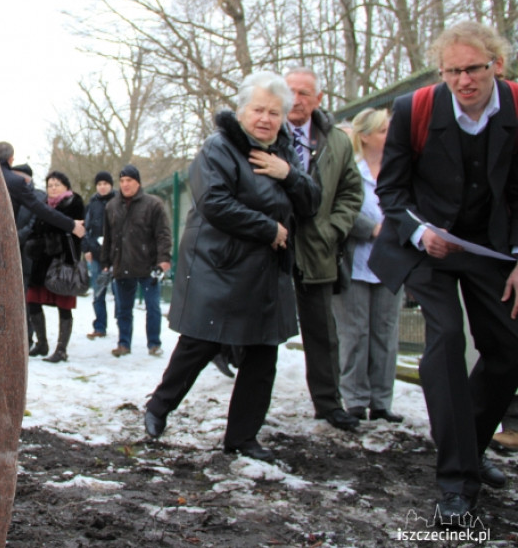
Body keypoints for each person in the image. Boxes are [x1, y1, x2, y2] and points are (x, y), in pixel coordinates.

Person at [369, 21, 518, 521]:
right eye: (452, 70)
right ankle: (456, 483)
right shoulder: (415, 109)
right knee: (446, 338)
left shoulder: (516, 105)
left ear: (495, 64)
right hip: (427, 244)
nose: (464, 80)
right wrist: (417, 231)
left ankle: (467, 449)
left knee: (508, 346)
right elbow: (390, 190)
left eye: (473, 68)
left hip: (491, 248)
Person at [143, 72, 320, 461]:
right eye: (258, 109)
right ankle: (159, 406)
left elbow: (312, 202)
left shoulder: (285, 151)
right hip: (218, 264)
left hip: (268, 269)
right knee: (201, 342)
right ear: (242, 110)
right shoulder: (218, 148)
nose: (266, 118)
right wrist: (268, 228)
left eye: (275, 112)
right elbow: (215, 204)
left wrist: (287, 175)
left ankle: (242, 437)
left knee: (262, 353)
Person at [285, 66, 364, 432]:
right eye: (291, 92)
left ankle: (329, 403)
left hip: (318, 248)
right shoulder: (266, 132)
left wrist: (335, 229)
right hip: (273, 245)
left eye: (305, 93)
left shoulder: (337, 141)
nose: (296, 100)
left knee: (322, 331)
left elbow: (351, 192)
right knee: (258, 326)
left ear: (319, 99)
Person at [330, 108, 404, 423]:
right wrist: (372, 228)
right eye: (384, 130)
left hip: (390, 265)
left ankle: (382, 402)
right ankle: (355, 399)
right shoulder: (349, 170)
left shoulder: (400, 172)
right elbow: (336, 205)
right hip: (354, 263)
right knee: (354, 334)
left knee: (385, 333)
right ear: (365, 136)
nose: (390, 136)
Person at [101, 165, 172, 357]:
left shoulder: (153, 204)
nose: (125, 184)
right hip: (122, 264)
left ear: (138, 182)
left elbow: (163, 234)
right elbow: (108, 236)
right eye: (122, 181)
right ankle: (124, 343)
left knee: (153, 307)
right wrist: (106, 261)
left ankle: (154, 344)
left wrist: (164, 259)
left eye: (129, 180)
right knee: (123, 309)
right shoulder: (112, 206)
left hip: (149, 265)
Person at [24, 171, 85, 363]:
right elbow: (36, 228)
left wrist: (49, 234)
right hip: (41, 262)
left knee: (63, 306)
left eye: (57, 184)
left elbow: (73, 231)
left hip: (61, 262)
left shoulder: (74, 203)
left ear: (66, 186)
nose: (53, 188)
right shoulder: (42, 205)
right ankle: (41, 343)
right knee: (32, 301)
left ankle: (61, 349)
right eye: (50, 185)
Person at [82, 171, 117, 339]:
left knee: (119, 293)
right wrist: (87, 249)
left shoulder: (118, 201)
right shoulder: (92, 204)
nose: (102, 187)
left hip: (117, 255)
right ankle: (100, 326)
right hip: (96, 254)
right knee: (98, 292)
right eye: (99, 184)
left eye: (105, 183)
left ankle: (122, 329)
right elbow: (85, 229)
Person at [12, 163, 43, 350]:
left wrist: (15, 237)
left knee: (27, 300)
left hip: (27, 255)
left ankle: (28, 338)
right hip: (11, 256)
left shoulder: (38, 197)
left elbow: (33, 224)